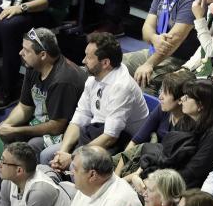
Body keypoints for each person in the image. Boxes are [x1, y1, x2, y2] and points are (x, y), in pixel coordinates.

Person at [44, 33, 149, 168]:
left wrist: (73, 157)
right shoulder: (93, 77)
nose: (83, 61)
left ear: (105, 63)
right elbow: (80, 117)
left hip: (121, 143)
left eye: (89, 57)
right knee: (48, 155)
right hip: (96, 134)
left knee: (75, 165)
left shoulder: (122, 87)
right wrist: (63, 151)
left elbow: (110, 137)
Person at [0, 29, 85, 157]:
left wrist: (15, 130)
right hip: (42, 121)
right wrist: (7, 124)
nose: (21, 53)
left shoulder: (63, 80)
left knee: (29, 146)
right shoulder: (33, 66)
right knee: (2, 134)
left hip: (65, 130)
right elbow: (24, 107)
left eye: (26, 50)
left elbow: (56, 127)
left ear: (42, 55)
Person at [125, 79, 213, 190]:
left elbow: (191, 173)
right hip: (166, 177)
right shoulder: (187, 121)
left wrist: (153, 182)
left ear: (201, 105)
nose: (182, 99)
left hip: (184, 188)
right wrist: (139, 175)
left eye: (187, 97)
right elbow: (166, 154)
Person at [122, 0, 200, 90]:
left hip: (180, 60)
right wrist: (154, 38)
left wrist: (149, 64)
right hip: (155, 51)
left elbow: (174, 39)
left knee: (147, 78)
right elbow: (146, 29)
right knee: (113, 64)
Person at [114, 71, 195, 177]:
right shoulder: (162, 109)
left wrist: (128, 178)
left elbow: (167, 165)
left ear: (181, 99)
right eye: (161, 91)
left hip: (161, 172)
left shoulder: (190, 126)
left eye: (165, 93)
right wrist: (117, 174)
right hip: (146, 159)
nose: (160, 97)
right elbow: (135, 141)